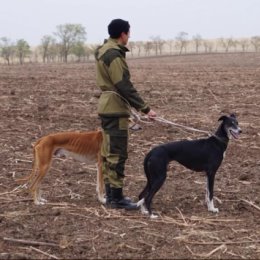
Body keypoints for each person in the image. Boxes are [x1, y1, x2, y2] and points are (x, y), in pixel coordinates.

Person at [95, 18, 156, 210]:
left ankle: (113, 196)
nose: (129, 36)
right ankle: (116, 198)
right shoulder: (114, 54)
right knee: (117, 155)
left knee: (109, 153)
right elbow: (124, 85)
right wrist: (145, 108)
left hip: (108, 106)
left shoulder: (103, 50)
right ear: (123, 34)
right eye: (129, 33)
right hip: (114, 109)